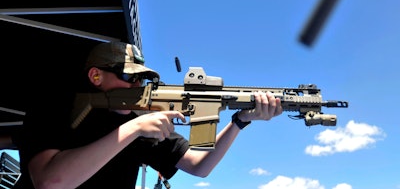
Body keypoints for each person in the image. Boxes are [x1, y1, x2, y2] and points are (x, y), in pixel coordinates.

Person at [14, 41, 283, 189]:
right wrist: (134, 128)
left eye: (141, 81)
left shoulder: (140, 124)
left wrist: (240, 121)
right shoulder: (55, 108)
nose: (137, 87)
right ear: (95, 76)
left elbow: (199, 165)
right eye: (129, 77)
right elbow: (51, 182)